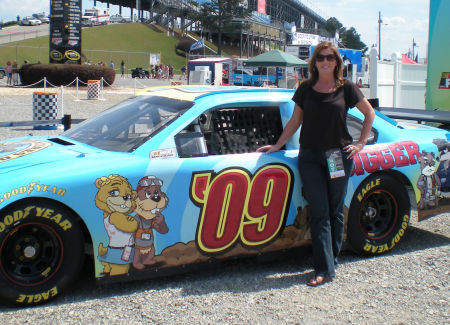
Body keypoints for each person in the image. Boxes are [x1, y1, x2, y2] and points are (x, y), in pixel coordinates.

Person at [257, 41, 375, 286]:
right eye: (321, 57)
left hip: (336, 156)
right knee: (320, 213)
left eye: (330, 57)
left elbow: (369, 113)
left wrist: (361, 143)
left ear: (336, 61)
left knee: (334, 210)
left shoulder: (347, 88)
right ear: (314, 62)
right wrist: (278, 145)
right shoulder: (306, 89)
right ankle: (324, 269)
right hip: (309, 157)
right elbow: (295, 121)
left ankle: (331, 258)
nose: (325, 61)